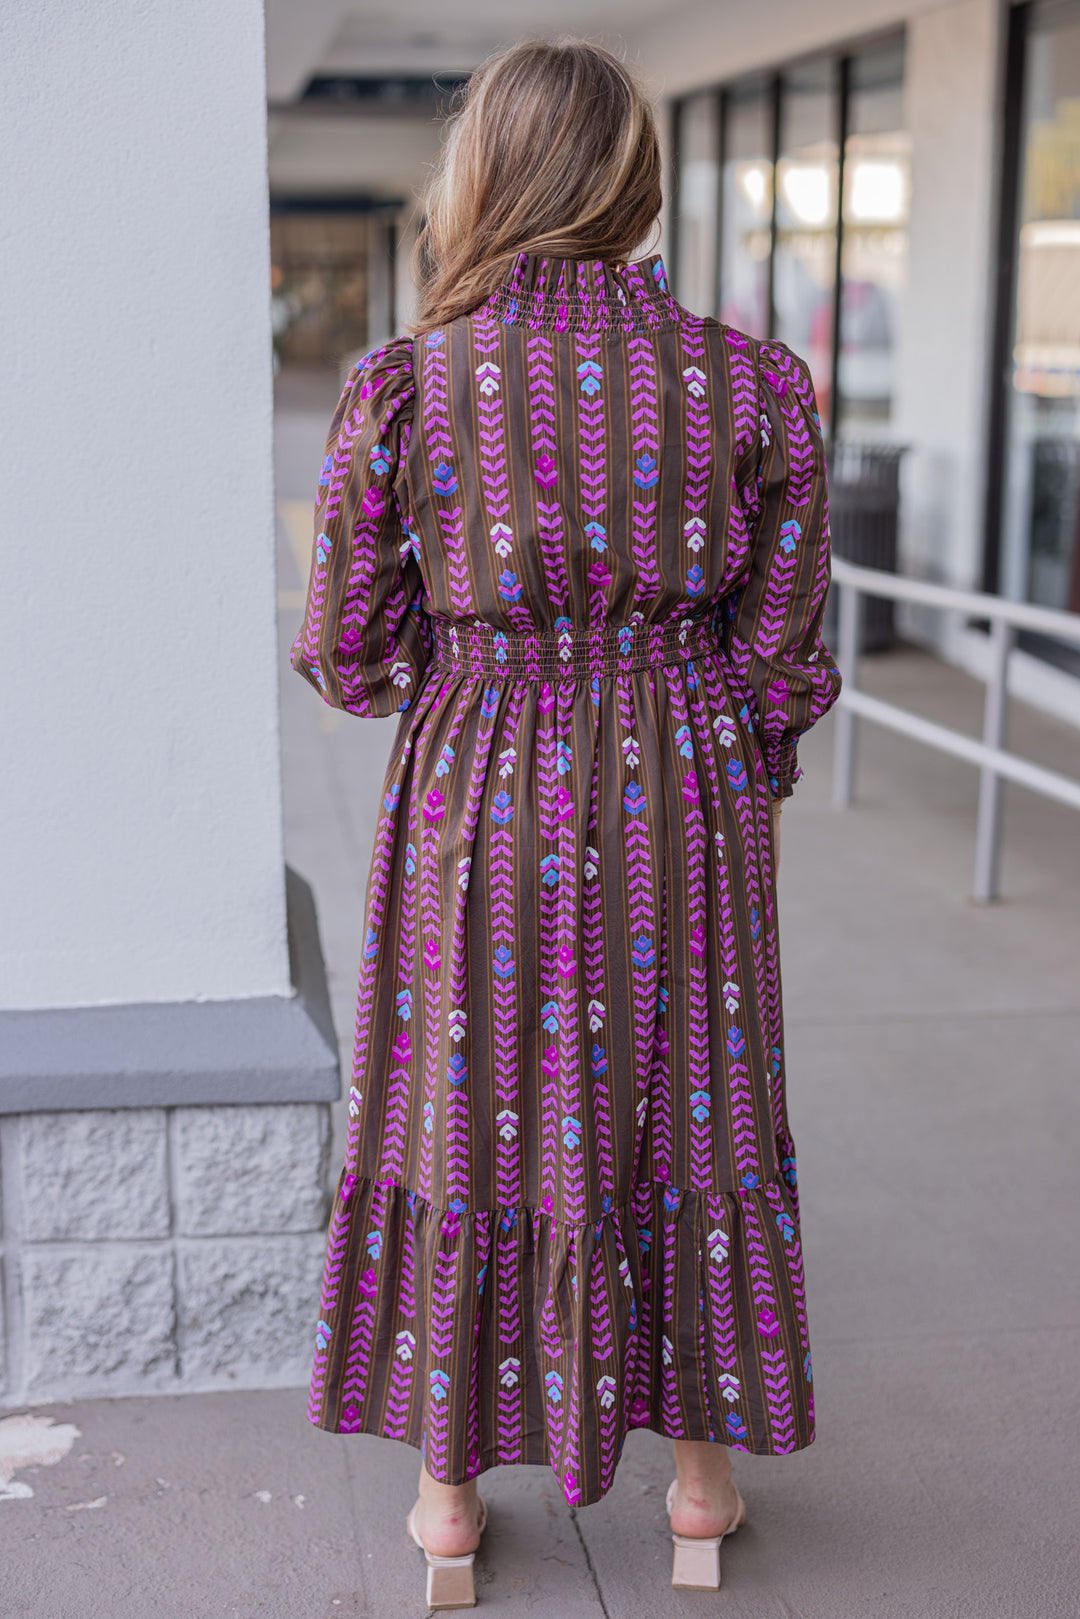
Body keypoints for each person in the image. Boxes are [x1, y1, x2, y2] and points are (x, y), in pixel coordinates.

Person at [292, 37, 842, 1610]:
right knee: (694, 1102)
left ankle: (449, 1503)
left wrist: (477, 673)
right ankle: (699, 1492)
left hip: (480, 782)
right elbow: (786, 655)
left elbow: (348, 651)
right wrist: (726, 757)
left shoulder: (407, 385)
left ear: (486, 177)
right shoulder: (756, 383)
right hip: (686, 781)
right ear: (635, 185)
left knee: (461, 1102)